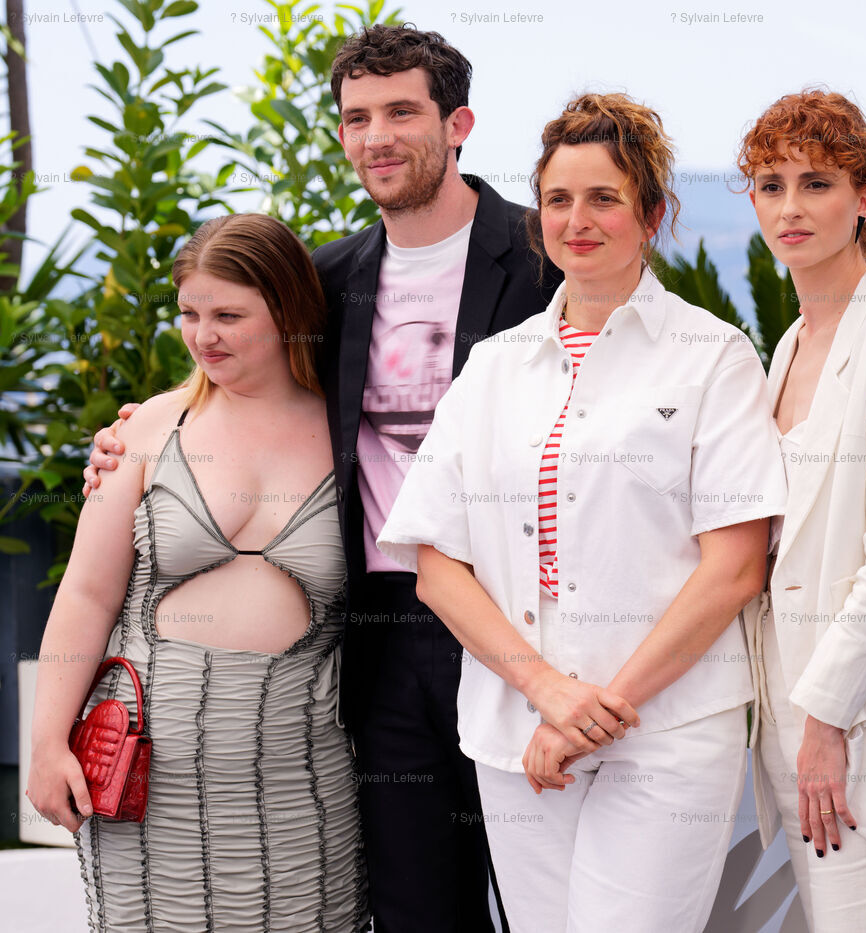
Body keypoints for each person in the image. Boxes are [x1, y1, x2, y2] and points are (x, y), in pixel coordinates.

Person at [81, 26, 559, 931]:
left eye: (401, 112)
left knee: (560, 900)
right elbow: (238, 372)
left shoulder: (546, 258)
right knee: (418, 907)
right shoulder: (330, 279)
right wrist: (134, 431)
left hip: (528, 620)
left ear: (457, 125)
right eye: (357, 117)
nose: (378, 136)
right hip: (381, 633)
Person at [375, 91, 786, 933]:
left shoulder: (713, 356)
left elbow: (735, 567)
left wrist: (597, 710)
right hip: (517, 729)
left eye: (605, 198)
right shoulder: (494, 367)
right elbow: (437, 566)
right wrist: (547, 690)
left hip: (667, 731)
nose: (578, 220)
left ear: (653, 213)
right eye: (558, 199)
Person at [26, 214, 368, 932]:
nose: (203, 336)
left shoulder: (353, 435)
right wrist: (48, 742)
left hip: (301, 777)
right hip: (147, 773)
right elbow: (86, 594)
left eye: (228, 316)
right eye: (189, 313)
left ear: (288, 310)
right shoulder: (150, 428)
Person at [733, 88, 866, 931]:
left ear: (865, 198)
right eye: (771, 185)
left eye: (816, 183)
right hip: (790, 719)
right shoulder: (791, 341)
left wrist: (825, 720)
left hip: (859, 724)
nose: (790, 207)